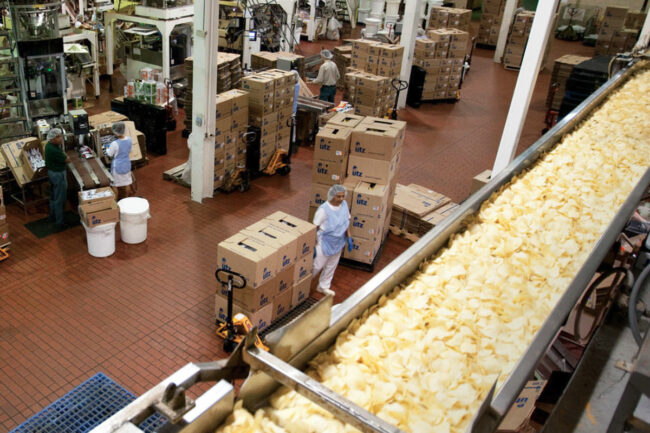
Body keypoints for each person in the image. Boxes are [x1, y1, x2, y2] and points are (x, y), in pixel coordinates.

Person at [312, 184, 353, 296]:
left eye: (342, 196)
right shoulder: (323, 210)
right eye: (338, 196)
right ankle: (301, 285)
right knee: (316, 266)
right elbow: (314, 227)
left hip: (338, 242)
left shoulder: (344, 205)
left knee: (331, 266)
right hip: (324, 242)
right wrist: (313, 245)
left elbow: (346, 221)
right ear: (331, 196)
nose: (340, 199)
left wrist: (349, 236)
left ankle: (323, 286)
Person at [44, 128, 70, 231]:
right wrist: (65, 156)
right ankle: (60, 222)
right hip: (58, 175)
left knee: (54, 196)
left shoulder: (49, 145)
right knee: (60, 198)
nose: (61, 139)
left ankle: (53, 216)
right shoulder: (54, 150)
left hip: (52, 173)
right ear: (53, 138)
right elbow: (67, 159)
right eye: (59, 137)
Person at [105, 122, 133, 200]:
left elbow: (110, 154)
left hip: (117, 167)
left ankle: (115, 205)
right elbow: (130, 150)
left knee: (115, 186)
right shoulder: (129, 139)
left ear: (115, 132)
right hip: (127, 165)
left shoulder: (114, 143)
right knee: (126, 183)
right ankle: (126, 200)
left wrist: (107, 148)